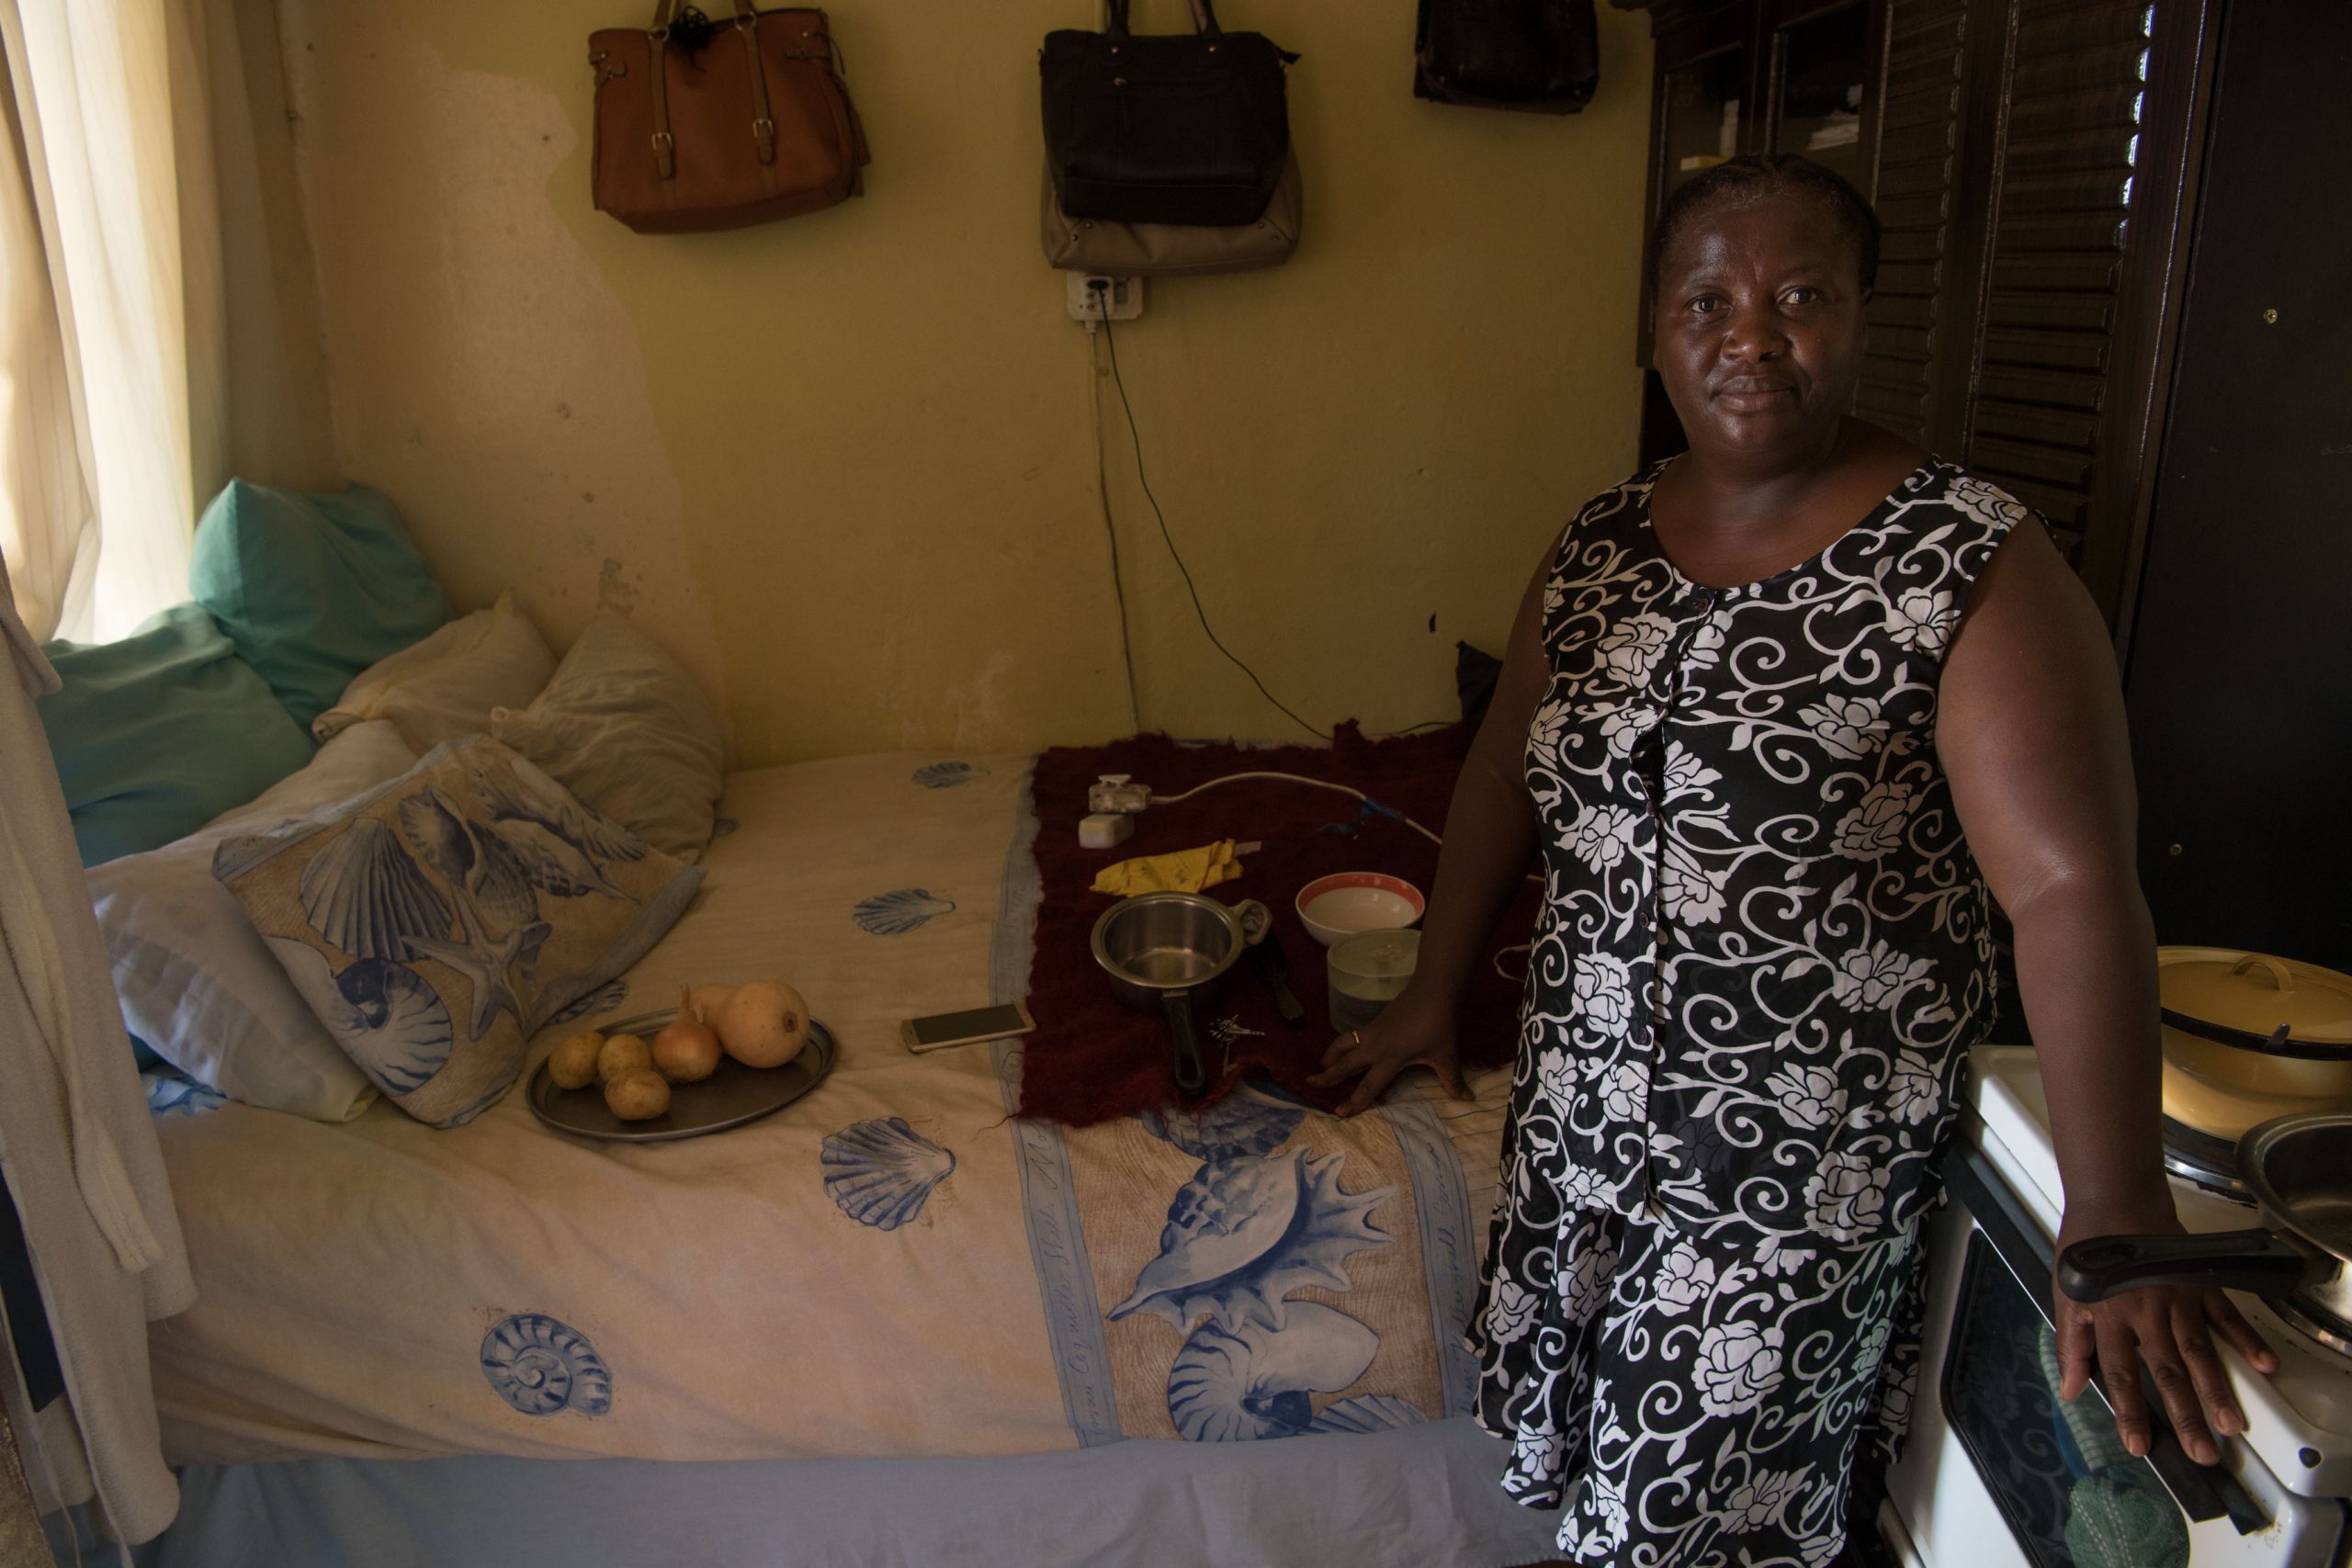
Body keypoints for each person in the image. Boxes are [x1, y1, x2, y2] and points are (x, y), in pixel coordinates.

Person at [1311, 153, 2278, 1565]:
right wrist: (1430, 993)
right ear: (1655, 333)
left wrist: (2115, 1213)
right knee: (1589, 1469)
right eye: (1706, 300)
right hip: (1585, 1119)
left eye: (1799, 296)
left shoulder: (1968, 561)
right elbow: (1502, 775)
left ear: (1862, 317)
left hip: (1786, 1168)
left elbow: (2069, 892)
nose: (1750, 335)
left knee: (1685, 1521)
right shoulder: (1597, 544)